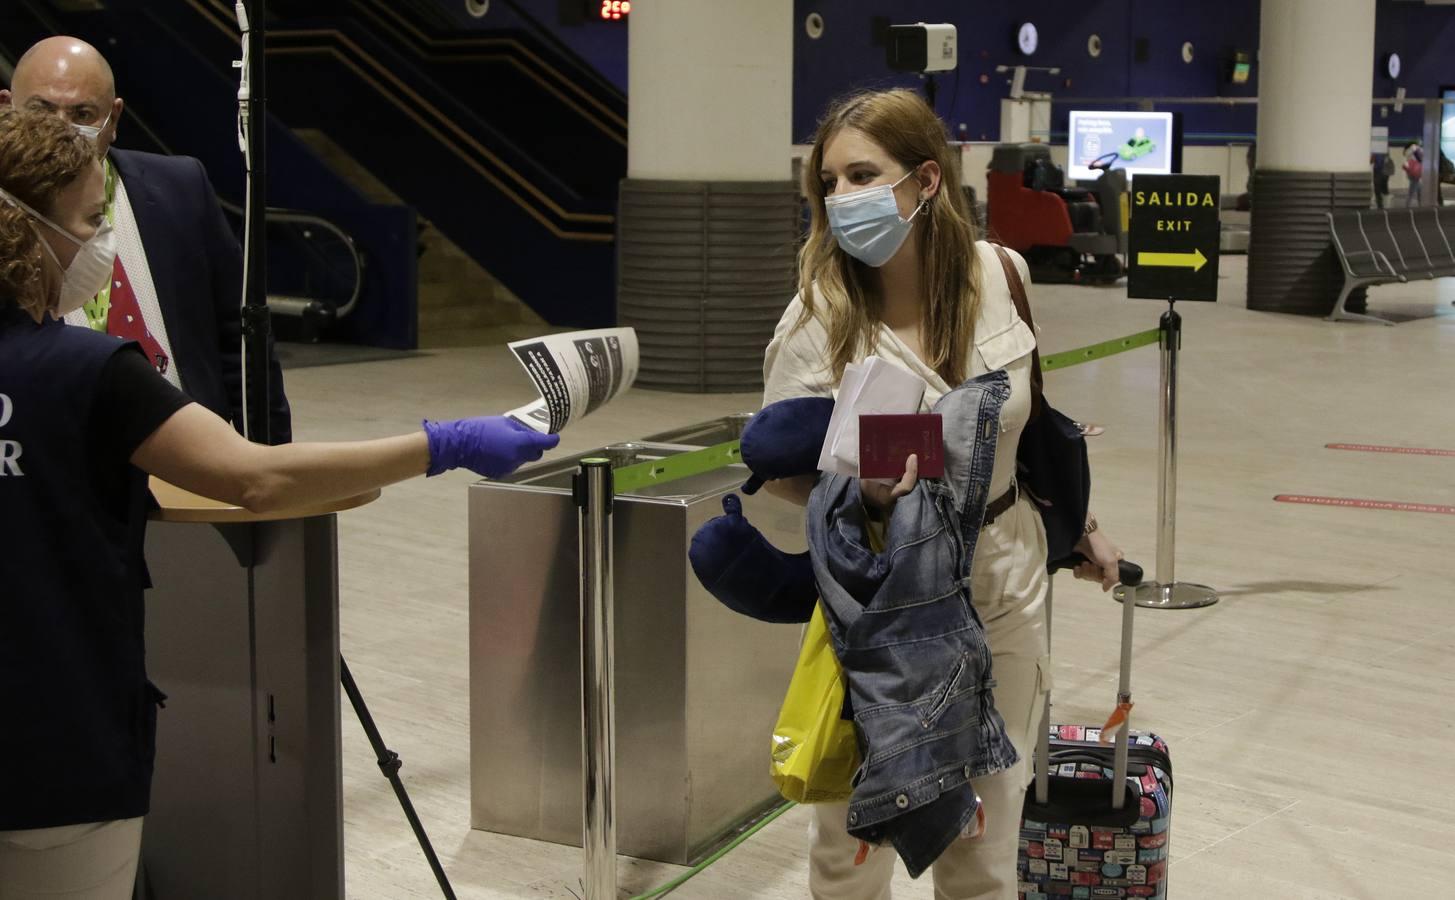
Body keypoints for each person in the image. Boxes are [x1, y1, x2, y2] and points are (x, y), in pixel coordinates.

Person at [0, 107, 558, 899]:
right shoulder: (89, 371)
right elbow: (256, 478)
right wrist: (447, 444)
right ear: (28, 228)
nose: (103, 243)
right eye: (92, 220)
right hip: (60, 747)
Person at [761, 89, 1124, 899]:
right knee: (851, 848)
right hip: (879, 599)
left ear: (926, 181)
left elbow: (1027, 425)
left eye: (864, 174)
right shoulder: (816, 318)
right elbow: (780, 466)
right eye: (830, 181)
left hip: (1004, 582)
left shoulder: (1003, 275)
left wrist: (1082, 526)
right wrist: (868, 501)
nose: (843, 197)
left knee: (986, 849)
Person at [1, 36, 292, 443]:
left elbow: (241, 341)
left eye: (82, 113)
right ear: (5, 109)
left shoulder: (182, 187)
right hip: (51, 454)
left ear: (113, 119)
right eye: (41, 110)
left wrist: (266, 456)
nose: (61, 130)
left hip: (192, 455)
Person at [1403, 139, 1424, 208]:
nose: (1421, 142)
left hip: (1412, 172)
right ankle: (1407, 205)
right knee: (1412, 190)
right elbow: (1420, 158)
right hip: (1416, 172)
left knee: (1419, 188)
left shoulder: (1408, 150)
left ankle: (1420, 204)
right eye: (1420, 141)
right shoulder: (1414, 148)